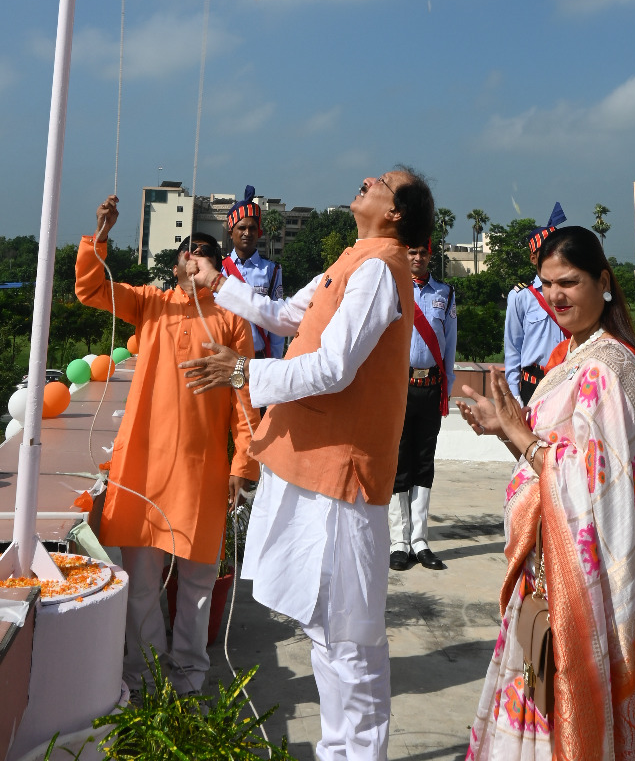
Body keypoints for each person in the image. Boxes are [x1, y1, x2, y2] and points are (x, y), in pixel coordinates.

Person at [183, 168, 433, 761]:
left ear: (395, 212)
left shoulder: (377, 269)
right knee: (327, 632)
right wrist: (219, 282)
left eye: (381, 181)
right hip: (312, 467)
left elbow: (333, 367)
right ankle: (338, 751)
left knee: (349, 639)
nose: (367, 180)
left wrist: (246, 373)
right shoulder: (357, 258)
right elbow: (292, 318)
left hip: (341, 477)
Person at [459, 225, 635, 761]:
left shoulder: (609, 366)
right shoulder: (568, 358)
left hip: (593, 577)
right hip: (552, 569)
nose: (556, 295)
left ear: (603, 282)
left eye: (570, 282)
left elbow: (589, 484)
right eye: (546, 284)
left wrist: (520, 435)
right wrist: (506, 429)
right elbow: (551, 467)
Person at [75, 197, 259, 695]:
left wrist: (244, 461)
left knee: (198, 586)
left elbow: (246, 396)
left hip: (202, 470)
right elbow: (91, 289)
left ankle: (189, 677)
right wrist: (100, 235)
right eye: (186, 250)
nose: (192, 257)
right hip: (145, 468)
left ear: (216, 266)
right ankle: (145, 675)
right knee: (141, 587)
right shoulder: (151, 305)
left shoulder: (232, 319)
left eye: (204, 252)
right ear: (177, 262)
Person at [390, 237, 456, 571]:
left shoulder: (445, 293)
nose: (417, 256)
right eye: (412, 251)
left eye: (423, 251)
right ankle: (399, 541)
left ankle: (420, 540)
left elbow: (450, 344)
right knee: (399, 463)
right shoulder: (393, 289)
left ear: (431, 255)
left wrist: (448, 387)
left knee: (423, 463)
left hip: (431, 387)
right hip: (400, 387)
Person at [503, 205, 568, 404]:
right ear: (533, 258)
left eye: (555, 249)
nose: (552, 255)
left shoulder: (572, 292)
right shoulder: (521, 297)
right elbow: (512, 350)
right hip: (534, 386)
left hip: (568, 383)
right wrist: (515, 396)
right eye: (545, 252)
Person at [221, 185, 285, 359]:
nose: (247, 233)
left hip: (259, 359)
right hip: (226, 356)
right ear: (231, 232)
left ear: (259, 233)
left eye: (252, 228)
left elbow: (277, 319)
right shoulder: (218, 269)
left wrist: (276, 361)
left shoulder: (272, 270)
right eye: (241, 228)